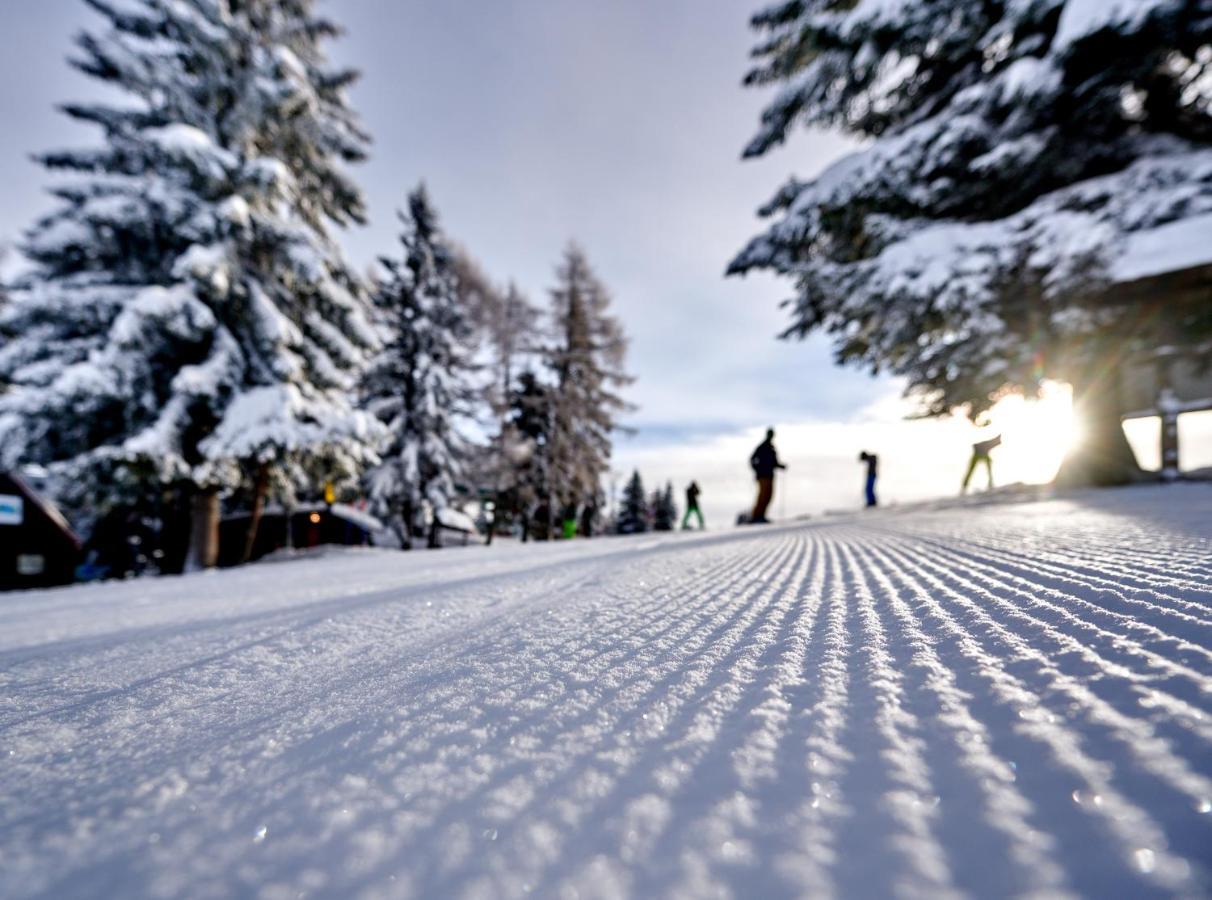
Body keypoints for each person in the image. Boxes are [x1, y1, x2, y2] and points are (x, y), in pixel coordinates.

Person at [749, 428, 786, 523]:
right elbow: (752, 459)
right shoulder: (762, 446)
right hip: (763, 476)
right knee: (763, 495)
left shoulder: (771, 447)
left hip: (770, 475)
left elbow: (773, 462)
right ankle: (756, 516)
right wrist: (758, 469)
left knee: (769, 495)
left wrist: (780, 466)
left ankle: (762, 515)